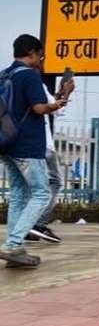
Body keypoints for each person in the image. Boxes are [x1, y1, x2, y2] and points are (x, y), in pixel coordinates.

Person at [0, 35, 68, 268]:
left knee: (19, 192)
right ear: (31, 52)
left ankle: (15, 249)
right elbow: (40, 108)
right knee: (41, 194)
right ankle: (12, 243)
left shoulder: (4, 75)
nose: (41, 60)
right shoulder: (29, 76)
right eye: (41, 55)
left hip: (6, 144)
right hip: (28, 145)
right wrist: (60, 101)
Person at [26, 76, 72, 244]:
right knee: (53, 183)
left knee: (24, 189)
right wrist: (65, 94)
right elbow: (53, 109)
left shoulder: (7, 78)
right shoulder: (33, 81)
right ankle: (37, 224)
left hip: (17, 144)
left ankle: (22, 230)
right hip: (42, 143)